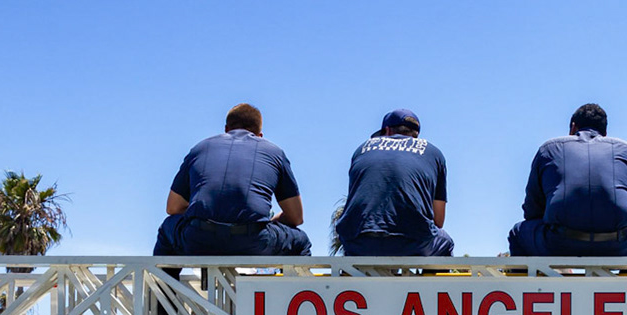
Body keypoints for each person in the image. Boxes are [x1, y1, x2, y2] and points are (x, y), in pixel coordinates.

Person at [155, 103, 311, 258]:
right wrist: (268, 221)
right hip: (254, 241)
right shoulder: (275, 153)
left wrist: (204, 219)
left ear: (226, 129)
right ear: (260, 135)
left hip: (199, 239)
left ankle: (164, 276)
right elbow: (296, 217)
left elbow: (173, 208)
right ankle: (293, 276)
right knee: (300, 241)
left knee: (168, 227)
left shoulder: (199, 148)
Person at [509, 104, 627, 259]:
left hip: (558, 243)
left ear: (573, 128)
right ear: (605, 133)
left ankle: (542, 276)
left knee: (517, 233)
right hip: (617, 245)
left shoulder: (548, 149)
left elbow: (532, 211)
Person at [335, 109, 453, 260]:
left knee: (356, 250)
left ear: (387, 130)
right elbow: (438, 220)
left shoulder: (362, 149)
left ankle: (354, 276)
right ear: (416, 134)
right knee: (446, 243)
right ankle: (431, 277)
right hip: (413, 242)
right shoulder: (433, 153)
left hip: (358, 242)